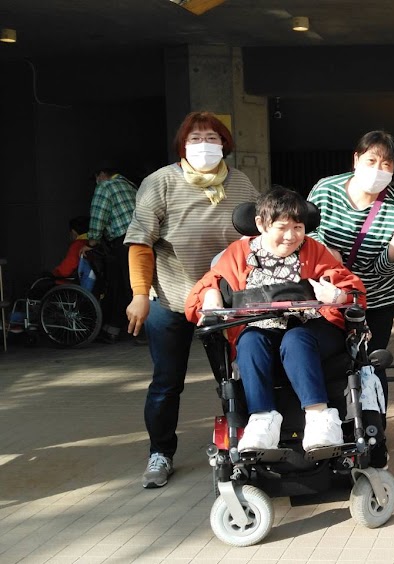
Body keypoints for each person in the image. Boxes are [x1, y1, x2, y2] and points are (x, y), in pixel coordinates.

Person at [124, 111, 260, 489]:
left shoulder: (241, 183)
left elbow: (257, 237)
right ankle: (160, 452)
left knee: (235, 376)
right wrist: (139, 295)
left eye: (212, 138)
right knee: (167, 381)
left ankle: (245, 443)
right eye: (195, 138)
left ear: (225, 144)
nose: (204, 145)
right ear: (182, 145)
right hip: (170, 297)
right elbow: (140, 242)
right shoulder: (160, 182)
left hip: (224, 301)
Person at [185, 188, 366, 452]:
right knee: (250, 341)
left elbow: (355, 291)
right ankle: (262, 420)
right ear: (261, 224)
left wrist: (338, 296)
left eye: (298, 227)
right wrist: (210, 294)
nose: (291, 236)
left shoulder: (314, 250)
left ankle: (319, 417)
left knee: (296, 339)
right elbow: (200, 293)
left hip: (312, 328)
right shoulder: (238, 253)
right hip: (261, 327)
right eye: (282, 227)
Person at [307, 131, 394, 406]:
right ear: (356, 159)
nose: (378, 170)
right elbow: (305, 231)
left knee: (371, 363)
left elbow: (382, 270)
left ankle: (375, 425)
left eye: (386, 164)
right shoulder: (325, 189)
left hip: (374, 300)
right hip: (328, 295)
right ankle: (334, 419)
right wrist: (325, 253)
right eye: (371, 161)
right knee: (328, 360)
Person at [86, 165, 137, 343]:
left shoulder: (105, 186)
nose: (96, 182)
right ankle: (113, 329)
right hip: (142, 239)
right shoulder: (129, 185)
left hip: (123, 241)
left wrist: (91, 242)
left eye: (95, 178)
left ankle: (140, 331)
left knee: (126, 287)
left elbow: (98, 216)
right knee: (129, 285)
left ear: (101, 174)